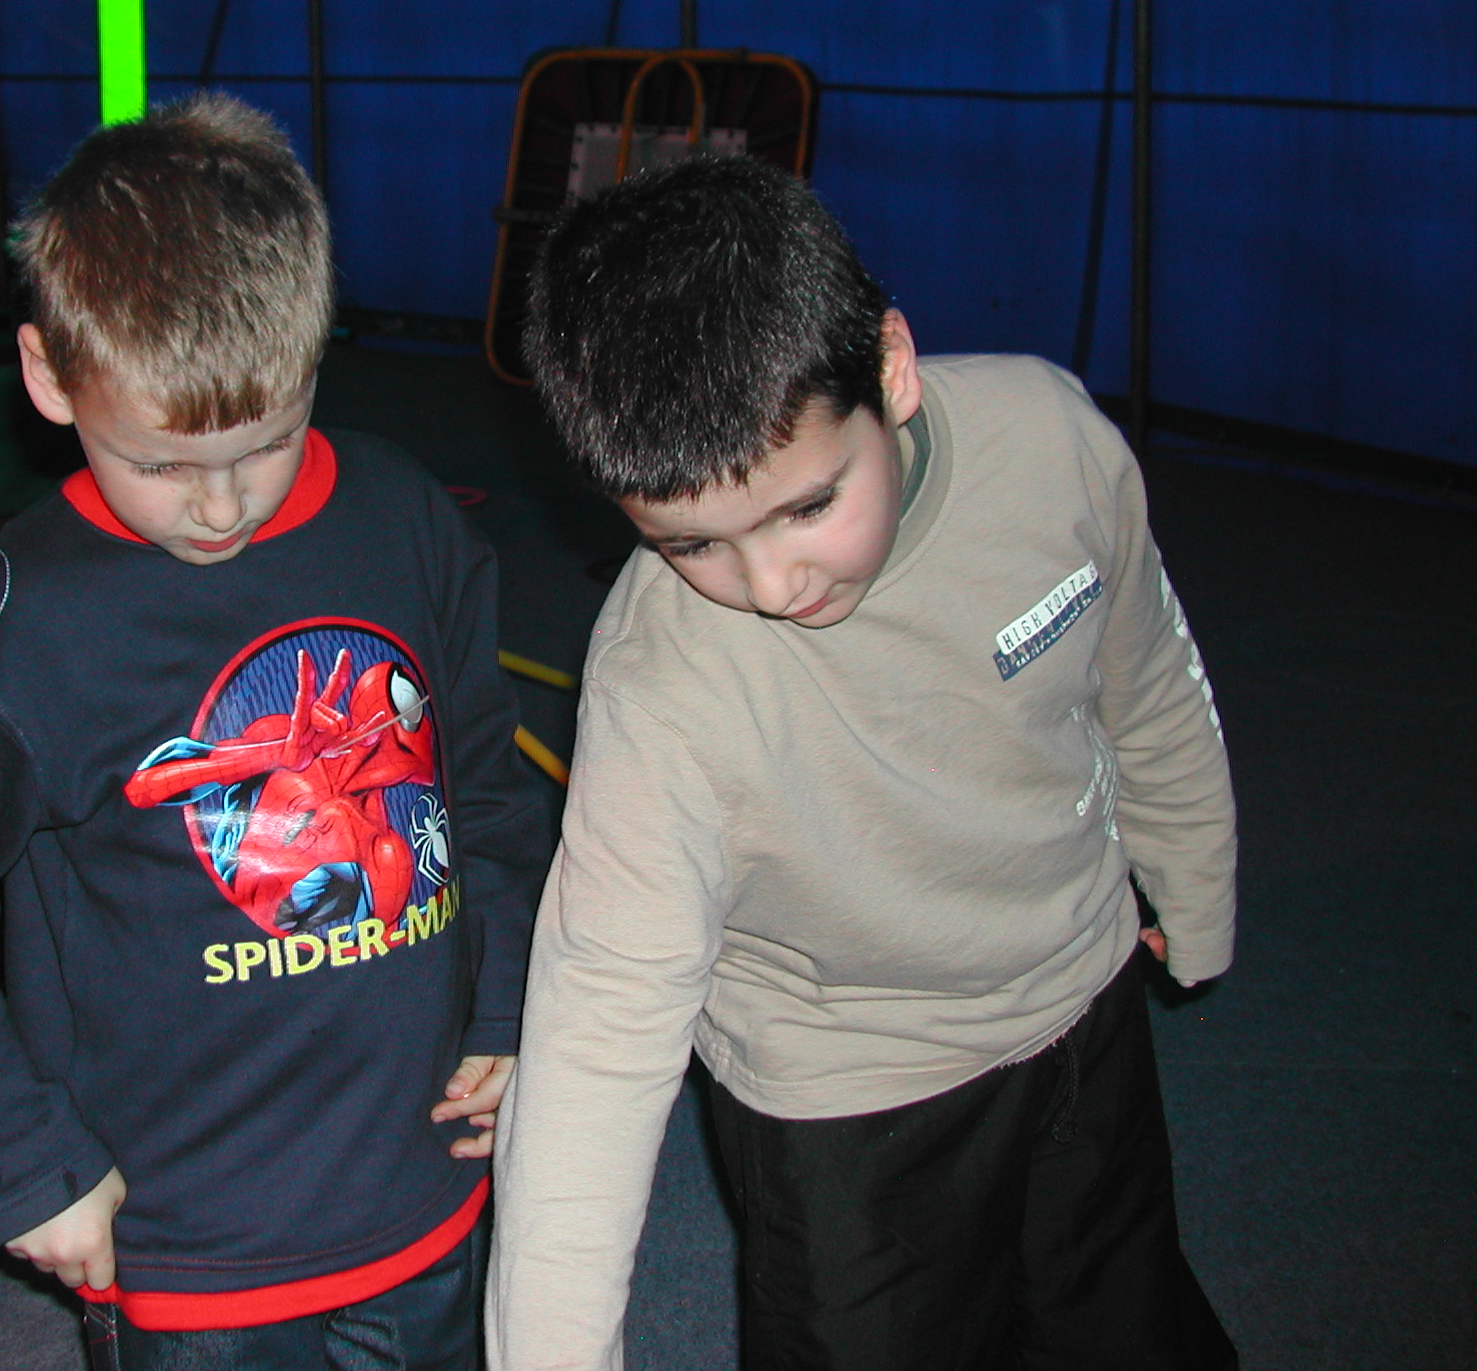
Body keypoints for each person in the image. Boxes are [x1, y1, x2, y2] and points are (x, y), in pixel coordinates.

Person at [0, 92, 549, 1370]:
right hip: (186, 1242)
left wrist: (505, 1004)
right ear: (48, 376)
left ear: (314, 355)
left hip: (422, 1191)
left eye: (265, 445)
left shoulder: (405, 520)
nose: (219, 508)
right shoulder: (26, 622)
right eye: (157, 463)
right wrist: (22, 1156)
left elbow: (481, 794)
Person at [484, 157, 1238, 1371]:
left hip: (1082, 999)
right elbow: (598, 1028)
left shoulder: (1050, 442)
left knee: (1118, 1324)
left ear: (888, 368)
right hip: (844, 1092)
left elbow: (1143, 673)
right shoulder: (660, 689)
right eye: (689, 545)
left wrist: (1192, 886)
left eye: (805, 507)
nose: (769, 585)